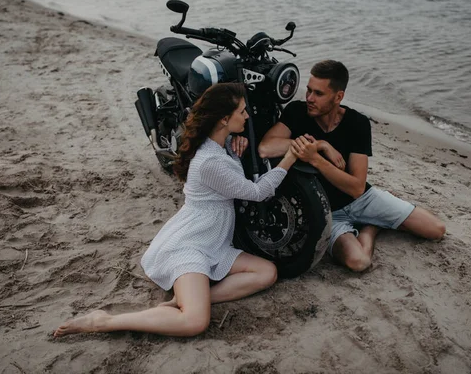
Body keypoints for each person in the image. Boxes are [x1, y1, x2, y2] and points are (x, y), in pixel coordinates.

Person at [54, 83, 298, 338]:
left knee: (267, 272)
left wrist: (235, 146)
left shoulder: (216, 145)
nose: (247, 116)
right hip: (190, 245)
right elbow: (257, 192)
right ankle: (104, 321)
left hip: (213, 243)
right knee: (194, 322)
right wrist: (290, 157)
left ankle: (187, 299)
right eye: (242, 111)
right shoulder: (210, 162)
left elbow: (228, 169)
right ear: (225, 119)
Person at [258, 60, 445, 272]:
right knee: (359, 262)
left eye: (318, 94)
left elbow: (356, 187)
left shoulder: (357, 124)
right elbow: (266, 147)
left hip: (361, 200)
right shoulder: (296, 112)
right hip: (326, 212)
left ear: (338, 97)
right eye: (308, 90)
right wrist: (320, 145)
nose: (309, 98)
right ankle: (371, 228)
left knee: (435, 230)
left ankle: (373, 218)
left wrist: (314, 159)